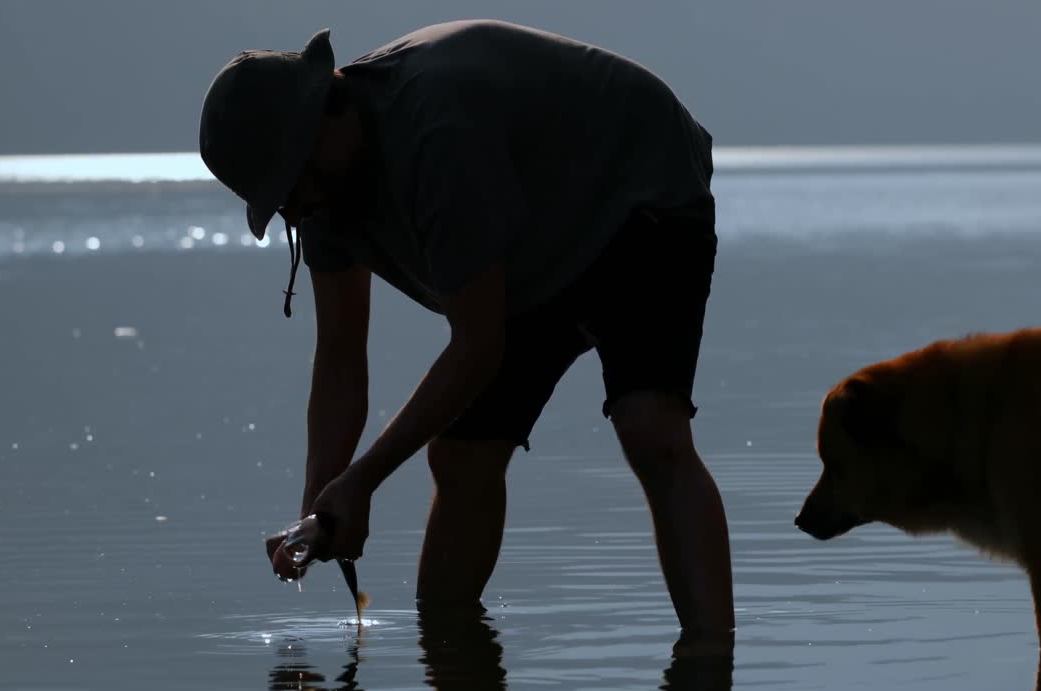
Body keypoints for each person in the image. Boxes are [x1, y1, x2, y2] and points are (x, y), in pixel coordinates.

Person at [198, 19, 733, 655]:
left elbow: (478, 347)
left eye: (293, 179)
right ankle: (452, 660)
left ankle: (710, 664)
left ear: (327, 114)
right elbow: (340, 358)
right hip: (530, 242)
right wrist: (320, 507)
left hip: (638, 189)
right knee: (460, 457)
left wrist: (362, 482)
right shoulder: (319, 196)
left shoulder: (436, 129)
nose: (296, 204)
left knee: (652, 432)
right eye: (280, 196)